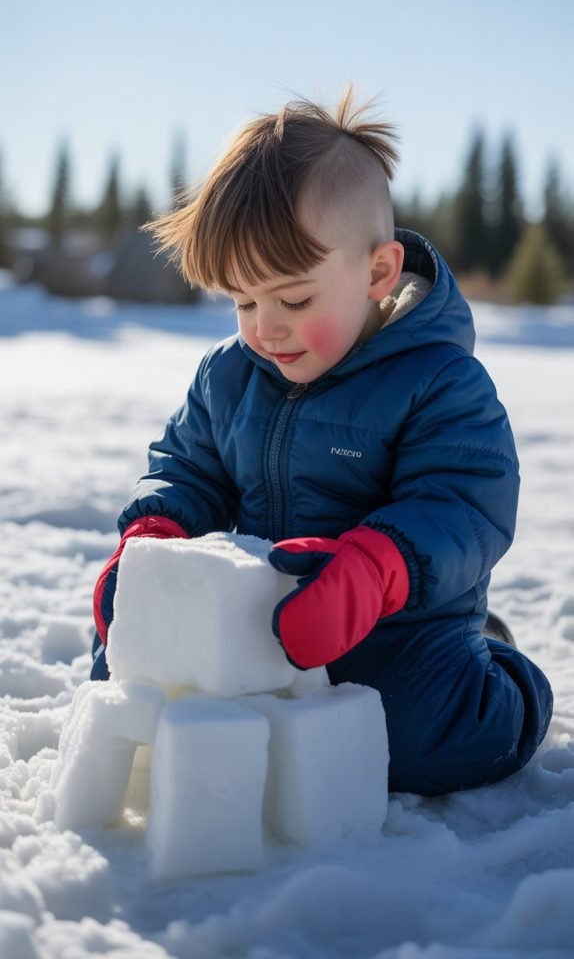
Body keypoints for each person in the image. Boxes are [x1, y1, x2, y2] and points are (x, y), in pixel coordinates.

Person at [91, 87, 553, 795]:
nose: (264, 328)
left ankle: (500, 672)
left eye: (293, 300)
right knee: (129, 671)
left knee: (418, 740)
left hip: (398, 628)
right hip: (263, 612)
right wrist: (156, 536)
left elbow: (466, 505)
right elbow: (188, 466)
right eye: (244, 301)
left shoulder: (440, 382)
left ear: (377, 273)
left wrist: (375, 569)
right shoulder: (229, 374)